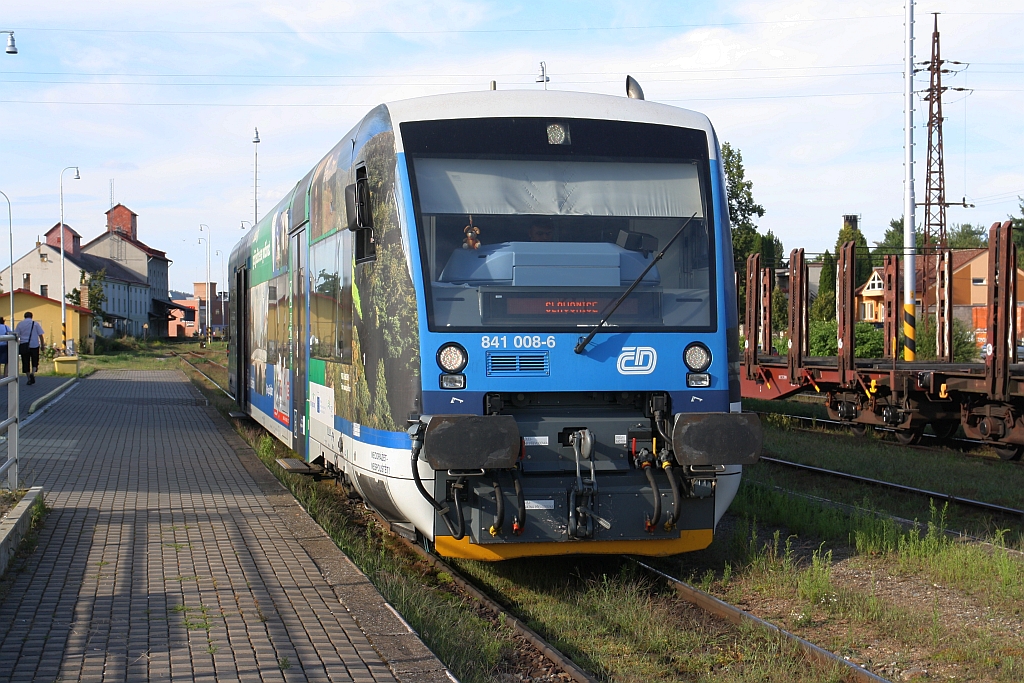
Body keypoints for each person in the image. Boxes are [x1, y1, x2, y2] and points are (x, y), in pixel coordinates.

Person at [15, 312, 44, 385]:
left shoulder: (20, 324)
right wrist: (42, 345)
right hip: (34, 345)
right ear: (32, 316)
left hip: (24, 345)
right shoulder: (35, 324)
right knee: (35, 360)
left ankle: (28, 378)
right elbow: (40, 335)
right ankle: (33, 373)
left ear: (24, 316)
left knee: (25, 362)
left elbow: (16, 335)